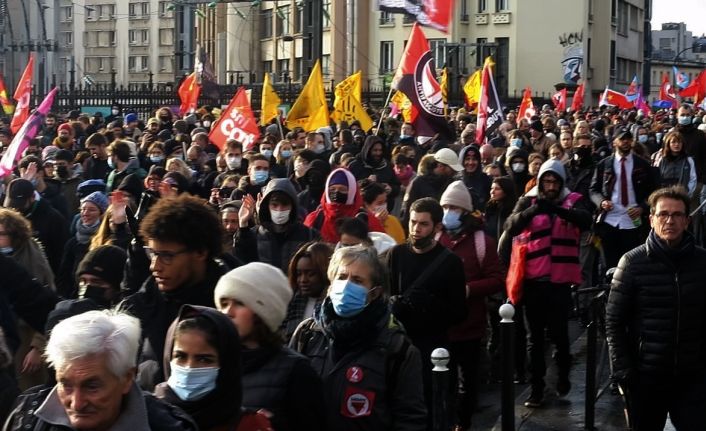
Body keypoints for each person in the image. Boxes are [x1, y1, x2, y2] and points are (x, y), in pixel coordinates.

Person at [290, 245, 427, 430]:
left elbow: (410, 419)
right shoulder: (307, 334)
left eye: (357, 280)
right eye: (341, 277)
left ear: (375, 293)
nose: (346, 285)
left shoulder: (396, 350)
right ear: (330, 285)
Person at [606, 186, 706, 430]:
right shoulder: (631, 262)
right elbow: (613, 321)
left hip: (693, 377)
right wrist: (623, 370)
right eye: (663, 214)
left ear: (687, 221)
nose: (669, 220)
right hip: (646, 377)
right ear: (652, 219)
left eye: (676, 215)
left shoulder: (703, 262)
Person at [4, 310, 197, 431]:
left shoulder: (169, 425)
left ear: (127, 378)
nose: (77, 404)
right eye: (66, 385)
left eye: (92, 386)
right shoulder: (26, 416)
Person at [503, 159, 592, 407]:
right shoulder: (528, 200)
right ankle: (536, 388)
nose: (551, 186)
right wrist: (534, 210)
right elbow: (511, 226)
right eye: (547, 181)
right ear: (540, 181)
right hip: (533, 282)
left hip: (559, 285)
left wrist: (558, 211)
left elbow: (586, 220)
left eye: (555, 182)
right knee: (535, 340)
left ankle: (562, 375)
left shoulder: (573, 200)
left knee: (560, 337)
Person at [122, 193, 230, 389]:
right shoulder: (140, 307)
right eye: (152, 253)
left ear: (200, 252)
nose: (155, 266)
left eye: (167, 256)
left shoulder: (230, 311)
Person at [214, 262, 326, 431]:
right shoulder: (211, 363)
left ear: (263, 310)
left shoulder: (296, 371)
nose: (227, 312)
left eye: (239, 303)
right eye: (223, 303)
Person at [385, 197, 467, 412]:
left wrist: (430, 304)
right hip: (401, 345)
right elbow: (389, 293)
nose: (416, 229)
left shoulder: (451, 262)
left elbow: (459, 313)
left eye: (423, 224)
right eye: (413, 222)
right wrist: (393, 304)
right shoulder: (397, 254)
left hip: (433, 348)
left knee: (431, 407)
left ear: (437, 227)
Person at [438, 181, 504, 430]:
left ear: (465, 210)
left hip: (470, 327)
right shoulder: (436, 237)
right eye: (445, 206)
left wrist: (469, 289)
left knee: (468, 382)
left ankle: (463, 423)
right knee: (444, 382)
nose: (448, 212)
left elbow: (497, 279)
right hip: (441, 327)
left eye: (453, 207)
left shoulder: (481, 242)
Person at [154, 305, 266, 431]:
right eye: (180, 356)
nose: (189, 368)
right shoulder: (146, 415)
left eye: (204, 359)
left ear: (227, 366)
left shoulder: (249, 425)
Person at [590, 127, 658, 269]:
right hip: (610, 220)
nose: (626, 142)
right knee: (610, 264)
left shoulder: (642, 164)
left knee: (632, 263)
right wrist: (601, 202)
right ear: (614, 142)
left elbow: (655, 191)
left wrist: (642, 207)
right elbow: (593, 190)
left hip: (633, 221)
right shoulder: (604, 164)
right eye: (622, 139)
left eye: (628, 138)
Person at [234, 178, 319, 272]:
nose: (279, 210)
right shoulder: (254, 234)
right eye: (275, 205)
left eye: (285, 205)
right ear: (267, 206)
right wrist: (243, 225)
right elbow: (242, 263)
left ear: (293, 206)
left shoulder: (309, 235)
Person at [4, 178, 69, 274]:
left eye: (21, 204)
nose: (16, 209)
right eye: (13, 205)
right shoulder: (6, 218)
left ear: (33, 197)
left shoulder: (53, 218)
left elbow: (61, 255)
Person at [303, 168, 384, 243]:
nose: (337, 192)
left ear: (352, 192)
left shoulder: (367, 220)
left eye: (343, 189)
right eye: (332, 189)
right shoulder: (315, 219)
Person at [57, 191, 109, 298]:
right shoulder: (72, 243)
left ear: (102, 213)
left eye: (91, 209)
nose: (85, 213)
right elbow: (63, 276)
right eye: (83, 209)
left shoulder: (107, 240)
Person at [281, 241, 333, 340]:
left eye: (310, 274)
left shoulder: (333, 307)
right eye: (299, 274)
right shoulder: (291, 302)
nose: (303, 280)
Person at [401, 148, 463, 227]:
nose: (454, 171)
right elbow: (406, 210)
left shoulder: (451, 184)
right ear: (440, 166)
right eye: (451, 168)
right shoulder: (418, 182)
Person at [348, 135, 401, 211]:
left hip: (384, 211)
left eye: (380, 150)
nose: (378, 153)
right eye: (375, 150)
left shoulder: (387, 166)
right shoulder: (355, 166)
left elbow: (397, 186)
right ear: (368, 150)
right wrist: (365, 183)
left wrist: (391, 189)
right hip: (360, 211)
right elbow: (349, 188)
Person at [652, 131, 697, 197]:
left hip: (681, 195)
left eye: (679, 142)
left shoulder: (688, 160)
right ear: (668, 144)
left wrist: (687, 192)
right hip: (663, 195)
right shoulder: (661, 159)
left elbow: (693, 179)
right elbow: (655, 177)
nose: (677, 144)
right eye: (673, 142)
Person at [458, 145, 492, 211]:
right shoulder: (455, 181)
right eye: (467, 159)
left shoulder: (486, 180)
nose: (471, 163)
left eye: (474, 159)